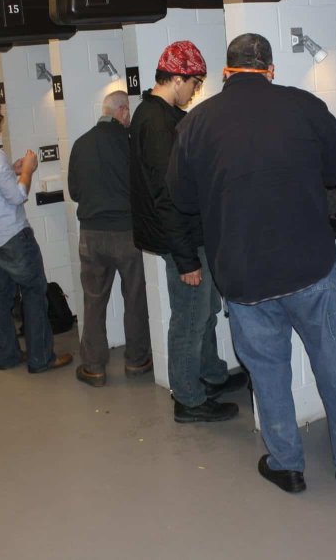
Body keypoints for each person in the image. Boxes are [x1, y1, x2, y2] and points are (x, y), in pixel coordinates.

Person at [167, 33, 336, 494]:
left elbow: (181, 199)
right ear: (270, 69)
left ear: (226, 71)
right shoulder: (304, 106)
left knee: (268, 373)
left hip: (243, 276)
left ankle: (287, 465)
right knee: (334, 361)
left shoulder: (195, 123)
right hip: (310, 266)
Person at [129, 40, 246, 423]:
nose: (195, 92)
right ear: (177, 78)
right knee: (190, 319)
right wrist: (184, 259)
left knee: (206, 310)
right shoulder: (158, 122)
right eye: (194, 83)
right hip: (182, 242)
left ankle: (210, 374)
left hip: (189, 238)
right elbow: (168, 196)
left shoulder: (158, 115)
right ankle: (189, 399)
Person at [0, 96, 72, 374]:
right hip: (10, 234)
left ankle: (7, 355)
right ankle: (41, 358)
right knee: (34, 292)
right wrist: (28, 171)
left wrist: (13, 170)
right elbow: (18, 195)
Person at [68, 90, 152, 387]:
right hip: (127, 233)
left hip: (91, 234)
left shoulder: (80, 144)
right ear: (123, 112)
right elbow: (143, 187)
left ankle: (94, 367)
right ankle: (137, 360)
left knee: (93, 301)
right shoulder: (130, 144)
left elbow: (75, 192)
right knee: (135, 298)